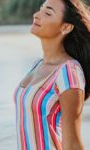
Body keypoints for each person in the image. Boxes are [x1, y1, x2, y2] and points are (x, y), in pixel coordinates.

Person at [13, 0, 90, 149]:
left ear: (66, 27)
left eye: (48, 13)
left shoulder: (68, 72)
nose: (36, 15)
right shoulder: (37, 65)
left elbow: (72, 142)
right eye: (40, 9)